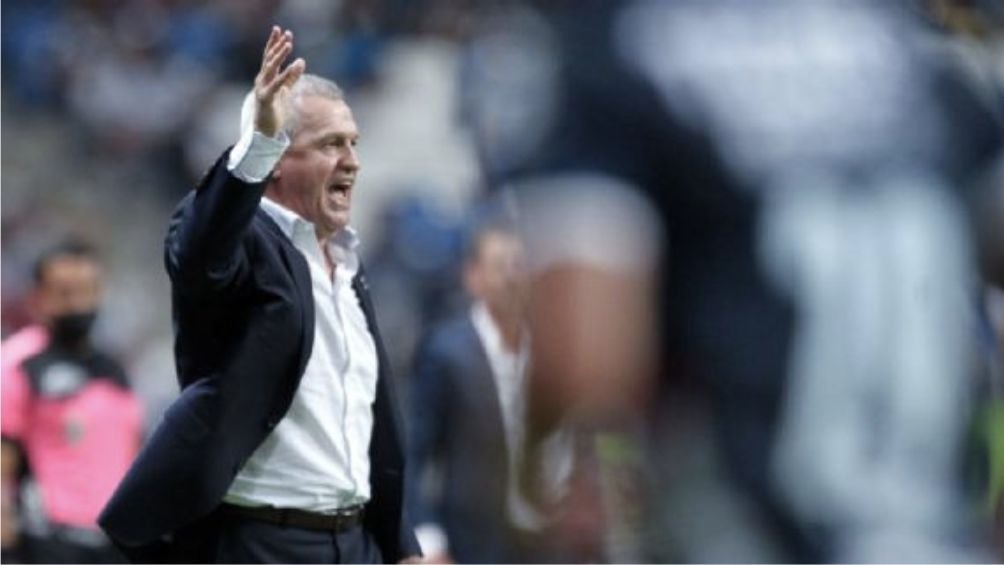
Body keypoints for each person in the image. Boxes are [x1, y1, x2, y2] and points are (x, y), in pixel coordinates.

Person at [466, 0, 1003, 561]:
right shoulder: (906, 46)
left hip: (744, 528)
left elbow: (582, 373)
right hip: (932, 537)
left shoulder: (619, 45)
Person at [98, 27, 421, 563]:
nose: (352, 161)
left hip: (354, 542)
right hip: (262, 542)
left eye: (353, 143)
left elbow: (369, 422)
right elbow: (200, 255)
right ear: (276, 161)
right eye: (330, 144)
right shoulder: (245, 242)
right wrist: (257, 145)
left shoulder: (346, 265)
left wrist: (400, 546)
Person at [407, 218, 575, 563]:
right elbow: (413, 455)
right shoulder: (446, 352)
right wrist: (429, 538)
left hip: (547, 545)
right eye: (501, 266)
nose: (513, 277)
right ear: (473, 277)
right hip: (473, 543)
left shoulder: (552, 347)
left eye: (520, 265)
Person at [1, 240, 144, 563]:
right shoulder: (18, 363)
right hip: (44, 543)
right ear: (38, 297)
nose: (78, 304)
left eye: (87, 291)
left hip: (108, 547)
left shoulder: (115, 372)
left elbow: (129, 459)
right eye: (65, 293)